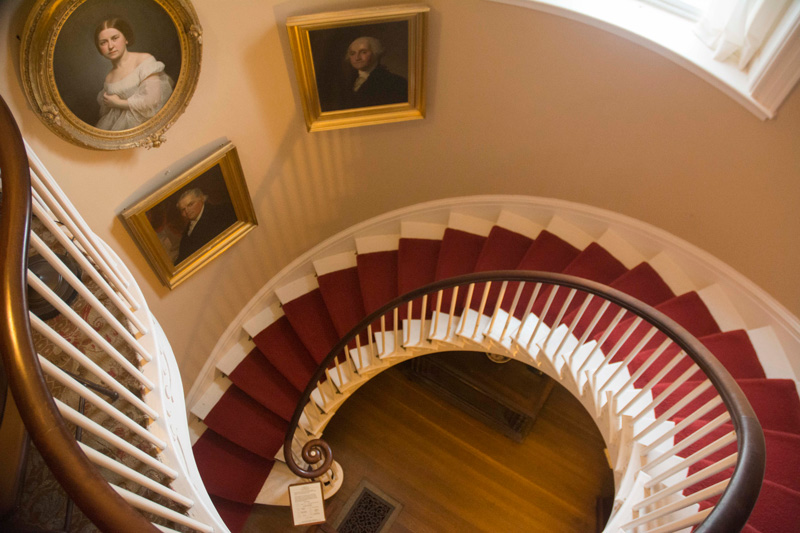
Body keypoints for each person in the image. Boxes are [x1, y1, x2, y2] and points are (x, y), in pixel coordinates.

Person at [94, 18, 174, 131]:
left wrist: (118, 103)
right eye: (103, 42)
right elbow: (109, 112)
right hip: (120, 129)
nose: (110, 46)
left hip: (147, 124)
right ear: (99, 48)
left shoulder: (144, 60)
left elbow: (152, 101)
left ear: (126, 39)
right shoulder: (109, 77)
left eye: (115, 38)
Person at [328, 36, 408, 111]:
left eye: (363, 52)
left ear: (376, 53)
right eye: (352, 53)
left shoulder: (395, 82)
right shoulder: (346, 82)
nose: (357, 58)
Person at [175, 188, 237, 264]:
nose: (187, 211)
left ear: (202, 199)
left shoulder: (220, 212)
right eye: (183, 209)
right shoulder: (187, 231)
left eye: (190, 204)